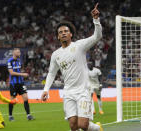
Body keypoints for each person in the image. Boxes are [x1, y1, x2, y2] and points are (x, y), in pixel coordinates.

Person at [41, 3, 103, 131]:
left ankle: (97, 128)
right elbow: (51, 73)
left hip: (83, 91)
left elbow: (97, 36)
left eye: (66, 31)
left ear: (71, 34)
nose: (63, 33)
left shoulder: (79, 46)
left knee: (83, 125)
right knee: (73, 126)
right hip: (68, 92)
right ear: (58, 36)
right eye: (60, 32)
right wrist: (46, 89)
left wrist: (96, 20)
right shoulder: (56, 54)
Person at [7, 48, 34, 121]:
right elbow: (11, 73)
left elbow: (18, 70)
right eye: (18, 52)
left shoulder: (19, 61)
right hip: (13, 83)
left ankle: (28, 115)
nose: (19, 53)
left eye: (19, 52)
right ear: (14, 53)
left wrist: (22, 74)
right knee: (12, 100)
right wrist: (22, 74)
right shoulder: (10, 61)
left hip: (21, 83)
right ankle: (10, 116)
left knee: (25, 97)